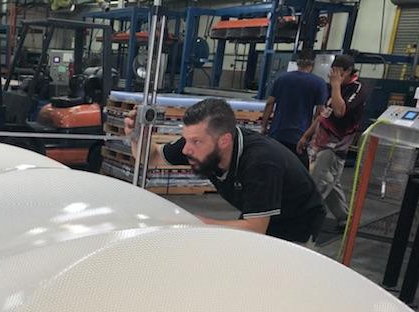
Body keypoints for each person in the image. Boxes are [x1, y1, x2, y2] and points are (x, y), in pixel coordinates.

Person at [124, 98, 325, 243]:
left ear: (224, 141)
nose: (186, 149)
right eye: (187, 139)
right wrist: (136, 136)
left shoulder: (261, 163)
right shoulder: (200, 144)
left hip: (297, 225)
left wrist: (192, 222)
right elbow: (152, 158)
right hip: (258, 219)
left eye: (196, 141)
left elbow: (255, 229)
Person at [297, 54, 367, 229]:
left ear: (349, 71)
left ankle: (303, 221)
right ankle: (344, 217)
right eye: (333, 72)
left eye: (339, 73)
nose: (335, 76)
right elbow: (324, 115)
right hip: (320, 143)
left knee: (317, 184)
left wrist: (336, 86)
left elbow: (339, 111)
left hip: (334, 148)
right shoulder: (332, 88)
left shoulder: (357, 89)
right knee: (330, 182)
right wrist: (306, 135)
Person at [260, 50, 327, 168]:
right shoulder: (319, 83)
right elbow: (320, 112)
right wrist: (313, 135)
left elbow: (270, 103)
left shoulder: (281, 79)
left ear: (297, 63)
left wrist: (264, 126)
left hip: (277, 133)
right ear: (312, 65)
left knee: (274, 168)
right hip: (300, 136)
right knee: (298, 172)